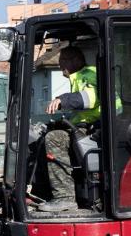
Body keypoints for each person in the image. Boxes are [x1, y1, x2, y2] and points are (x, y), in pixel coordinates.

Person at [40, 46, 99, 212]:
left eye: (62, 61)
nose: (60, 66)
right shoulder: (80, 77)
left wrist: (61, 100)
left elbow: (90, 99)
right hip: (88, 125)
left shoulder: (89, 75)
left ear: (75, 61)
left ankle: (64, 198)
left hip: (97, 129)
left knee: (55, 138)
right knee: (50, 131)